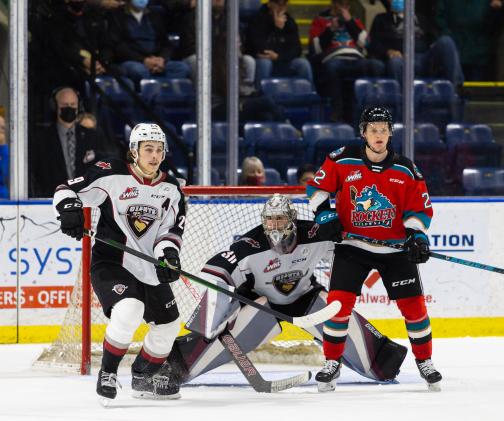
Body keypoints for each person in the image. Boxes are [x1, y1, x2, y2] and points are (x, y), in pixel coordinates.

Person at [165, 194, 408, 389]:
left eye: (281, 219)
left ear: (292, 219)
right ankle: (170, 369)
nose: (275, 225)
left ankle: (379, 361)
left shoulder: (315, 234)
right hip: (261, 305)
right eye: (270, 219)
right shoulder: (249, 245)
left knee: (380, 366)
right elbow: (215, 269)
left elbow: (354, 246)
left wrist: (391, 245)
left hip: (306, 298)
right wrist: (216, 315)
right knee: (201, 354)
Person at [306, 106, 441, 392]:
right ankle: (331, 363)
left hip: (395, 250)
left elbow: (420, 208)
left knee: (415, 309)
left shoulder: (406, 169)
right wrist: (324, 214)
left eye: (383, 129)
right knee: (338, 307)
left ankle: (425, 361)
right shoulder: (342, 159)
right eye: (373, 129)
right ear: (363, 132)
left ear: (391, 133)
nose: (378, 135)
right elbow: (317, 189)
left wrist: (417, 234)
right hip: (352, 247)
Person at [52, 123, 186, 402]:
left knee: (169, 326)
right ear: (134, 151)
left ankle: (143, 375)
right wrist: (70, 210)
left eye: (159, 150)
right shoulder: (112, 173)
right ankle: (108, 373)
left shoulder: (172, 189)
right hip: (112, 262)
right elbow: (67, 189)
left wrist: (168, 255)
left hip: (149, 268)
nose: (154, 155)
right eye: (148, 149)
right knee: (130, 309)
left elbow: (169, 232)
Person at [308, 0, 384, 122]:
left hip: (356, 58)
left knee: (377, 65)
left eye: (346, 5)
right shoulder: (320, 21)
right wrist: (330, 29)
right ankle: (337, 111)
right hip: (334, 57)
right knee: (332, 67)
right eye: (340, 4)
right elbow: (316, 49)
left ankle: (372, 110)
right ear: (333, 4)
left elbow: (366, 43)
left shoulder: (354, 21)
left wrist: (350, 22)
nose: (343, 8)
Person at [368, 0, 464, 88]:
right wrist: (388, 51)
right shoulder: (381, 19)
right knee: (395, 63)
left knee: (446, 41)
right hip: (401, 59)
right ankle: (402, 101)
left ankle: (457, 89)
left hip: (423, 58)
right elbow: (374, 44)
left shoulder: (421, 19)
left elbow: (434, 37)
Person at [29, 87, 100, 198]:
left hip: (86, 201)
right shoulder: (41, 139)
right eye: (65, 105)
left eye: (73, 104)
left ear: (78, 106)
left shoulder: (92, 137)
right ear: (55, 106)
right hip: (50, 201)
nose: (69, 108)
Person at [108, 0, 191, 85]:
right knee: (139, 71)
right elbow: (119, 46)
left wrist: (162, 59)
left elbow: (166, 43)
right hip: (133, 60)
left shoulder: (155, 15)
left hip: (156, 59)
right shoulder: (117, 15)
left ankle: (163, 92)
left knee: (182, 68)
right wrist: (144, 60)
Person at [246, 0, 314, 87]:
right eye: (279, 4)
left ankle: (308, 95)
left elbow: (297, 49)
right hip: (264, 60)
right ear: (270, 4)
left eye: (285, 4)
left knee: (303, 64)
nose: (282, 8)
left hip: (282, 60)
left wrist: (279, 56)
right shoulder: (258, 19)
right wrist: (276, 29)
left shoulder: (289, 22)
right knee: (265, 63)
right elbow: (259, 46)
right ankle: (260, 94)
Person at [435, 0, 504, 81]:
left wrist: (495, 11)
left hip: (479, 55)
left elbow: (493, 25)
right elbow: (439, 20)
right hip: (454, 55)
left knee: (476, 90)